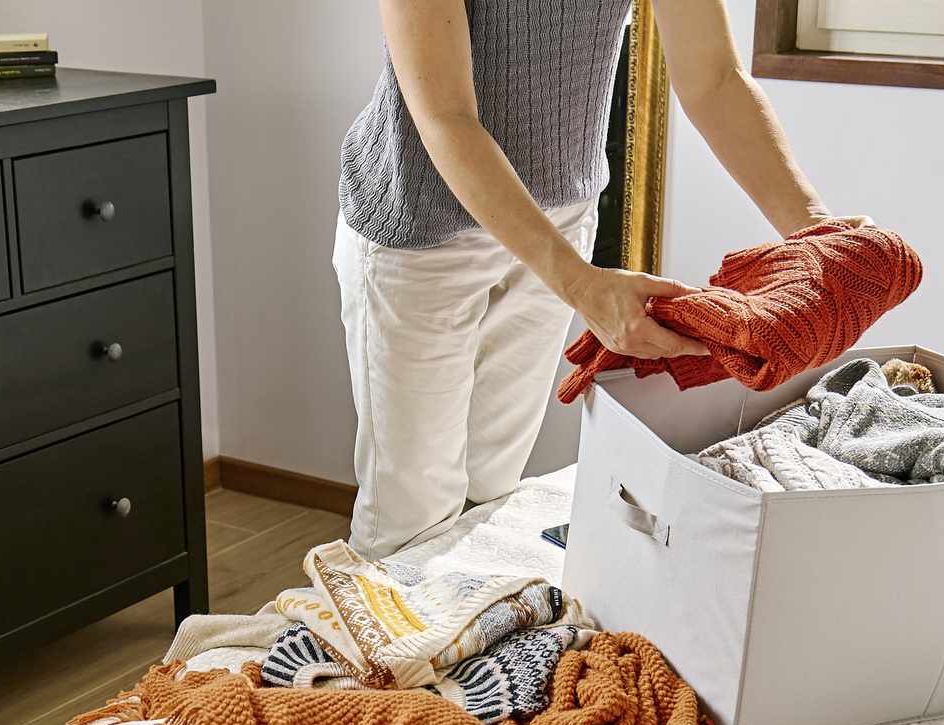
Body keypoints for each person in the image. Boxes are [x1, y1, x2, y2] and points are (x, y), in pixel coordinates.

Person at [335, 0, 868, 559]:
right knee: (410, 518)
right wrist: (584, 287)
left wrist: (816, 233)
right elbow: (446, 116)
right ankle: (369, 640)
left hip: (557, 219)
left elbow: (712, 78)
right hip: (422, 228)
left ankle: (468, 639)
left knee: (493, 493)